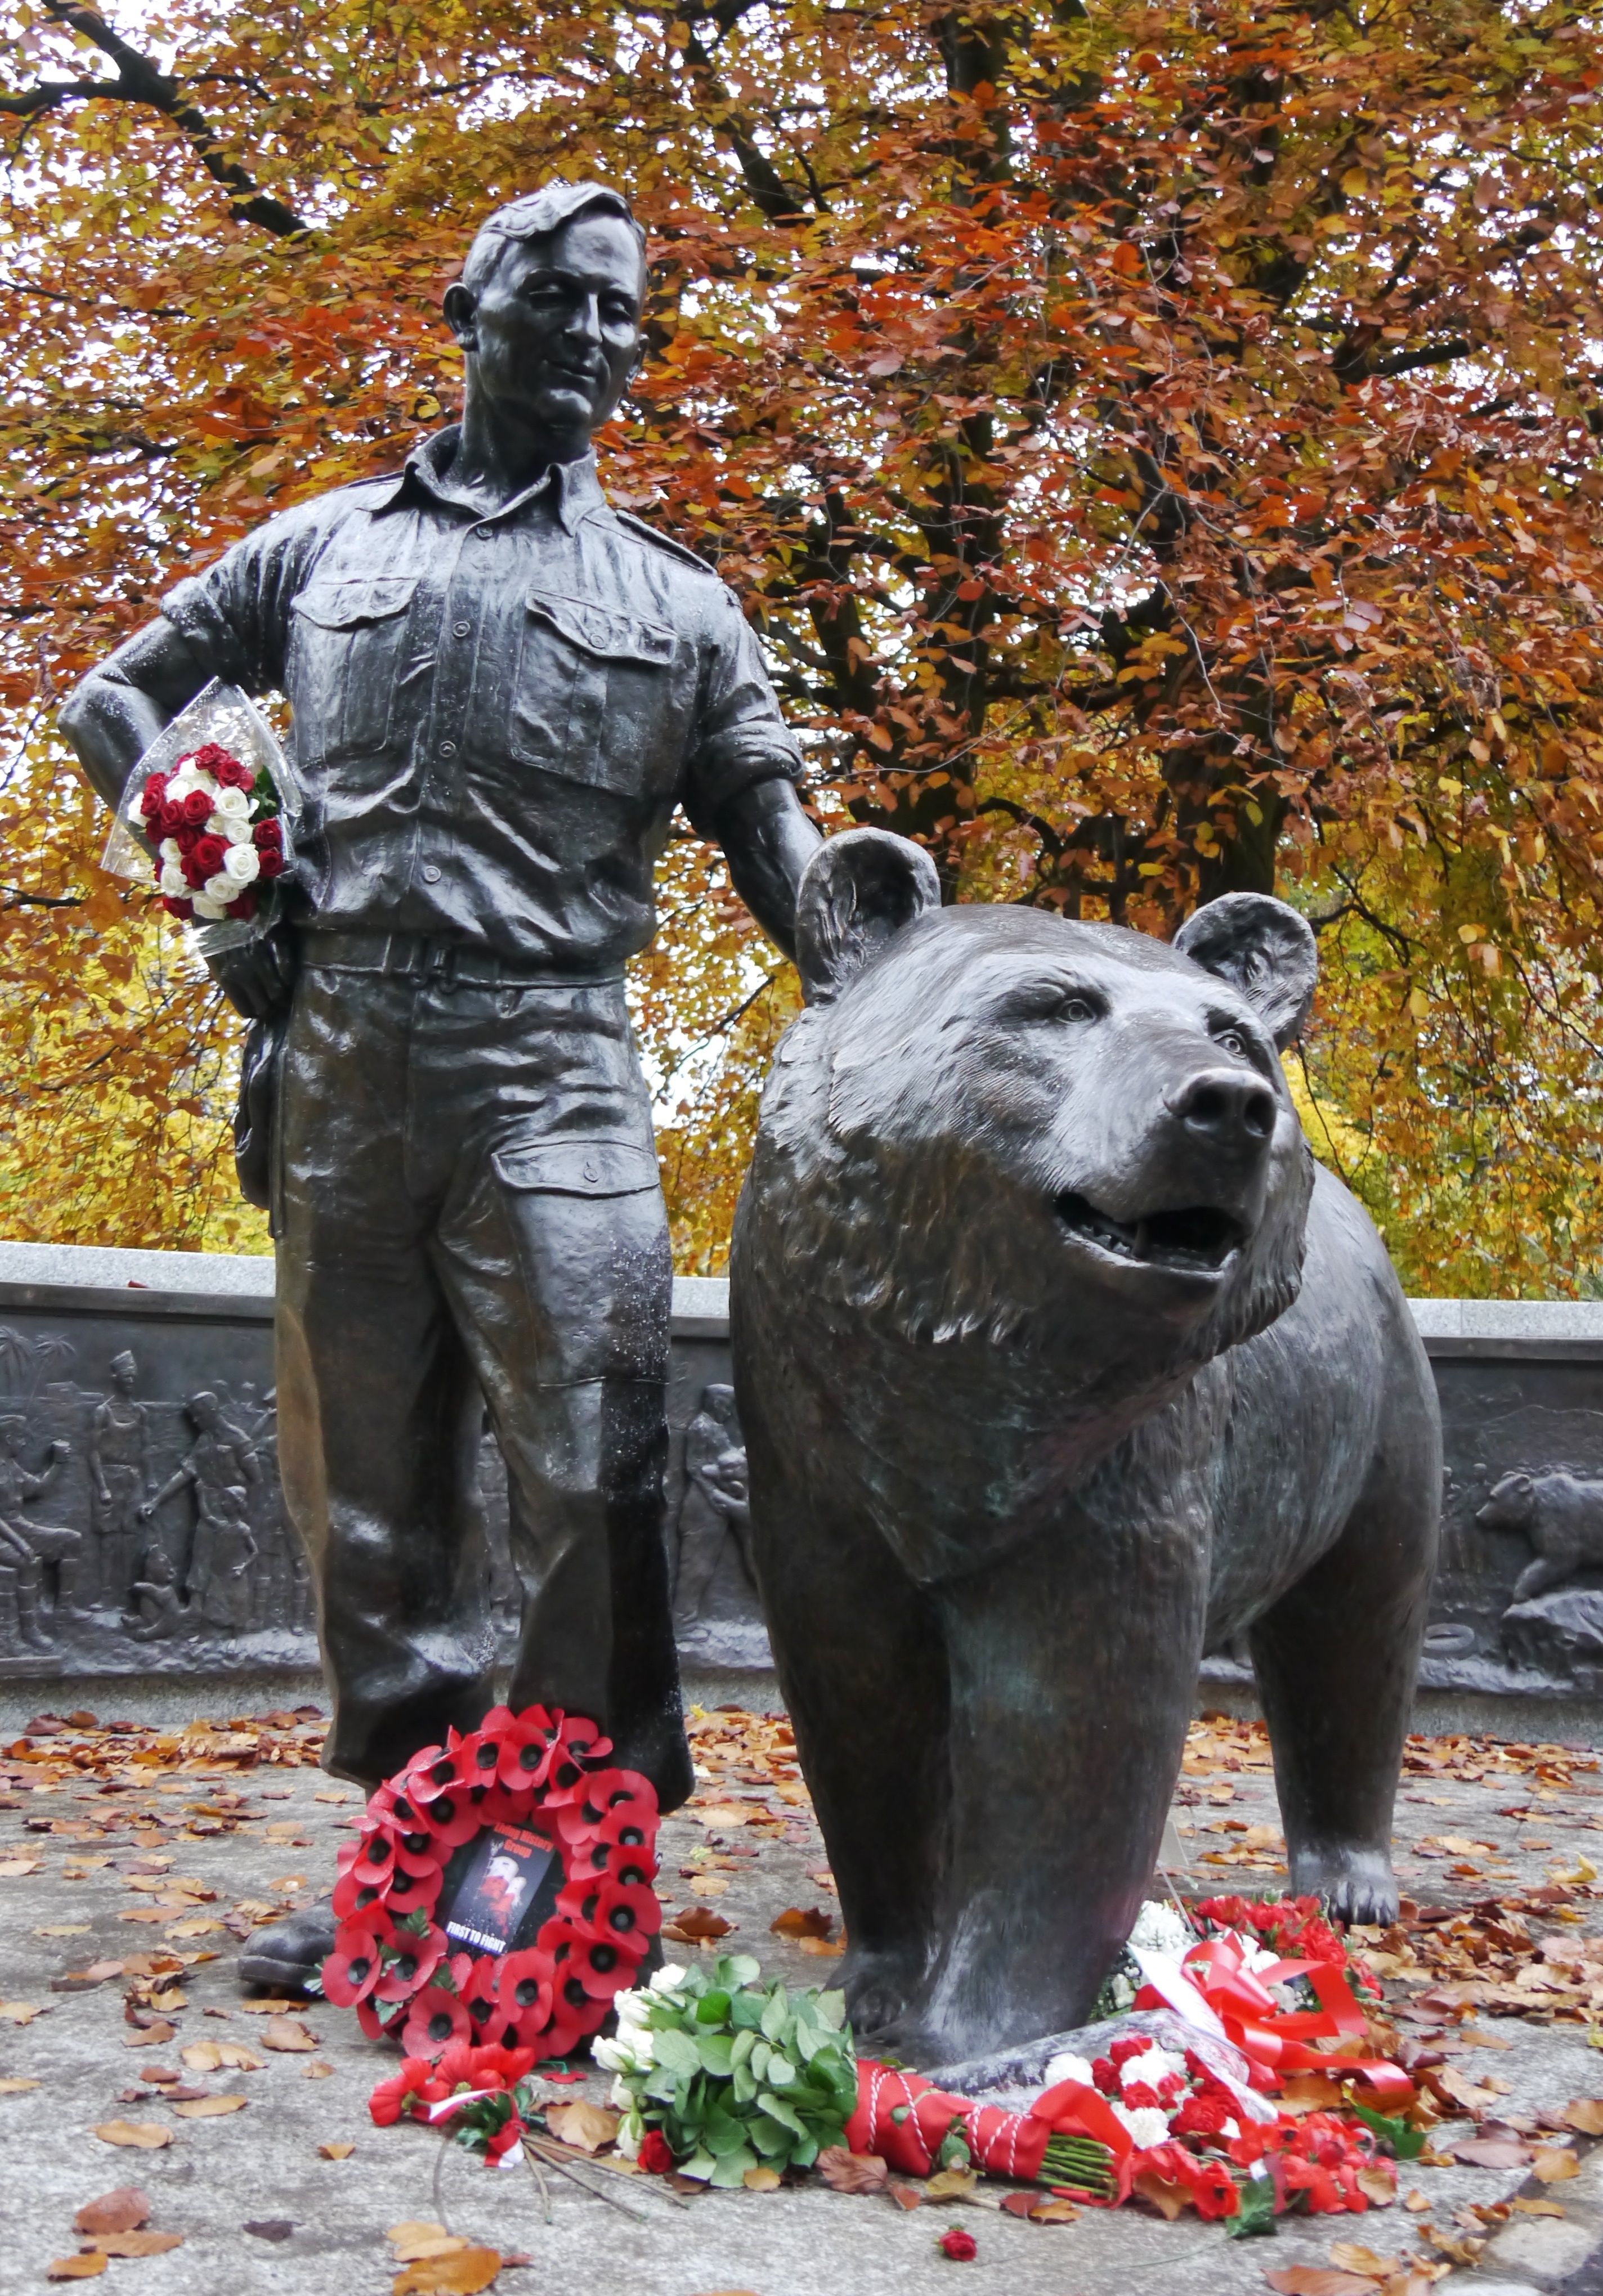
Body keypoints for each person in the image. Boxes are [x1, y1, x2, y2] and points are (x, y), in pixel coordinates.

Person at [59, 178, 820, 1991]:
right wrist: (225, 882)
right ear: (469, 310)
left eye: (624, 315)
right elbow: (115, 699)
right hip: (339, 1062)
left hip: (553, 1056)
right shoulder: (318, 551)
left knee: (597, 1462)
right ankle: (412, 1853)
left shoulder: (678, 603)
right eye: (558, 299)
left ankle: (584, 1857)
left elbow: (773, 829)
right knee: (372, 1494)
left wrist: (890, 972)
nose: (594, 337)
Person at [0, 1419, 81, 1649]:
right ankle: (30, 1631)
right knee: (27, 1562)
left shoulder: (11, 1466)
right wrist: (21, 1543)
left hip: (18, 1526)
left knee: (71, 1540)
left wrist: (58, 1463)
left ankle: (64, 1607)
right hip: (4, 1533)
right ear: (9, 1439)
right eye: (21, 1438)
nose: (24, 1444)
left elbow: (37, 1489)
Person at [88, 1350, 150, 1612]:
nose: (131, 1381)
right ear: (115, 1378)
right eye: (126, 1376)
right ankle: (105, 1596)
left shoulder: (141, 1412)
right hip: (109, 1480)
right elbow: (92, 1452)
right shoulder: (102, 1412)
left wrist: (151, 1481)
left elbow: (147, 1450)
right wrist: (102, 1487)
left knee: (131, 1539)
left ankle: (128, 1596)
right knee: (109, 1540)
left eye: (134, 1377)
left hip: (133, 1480)